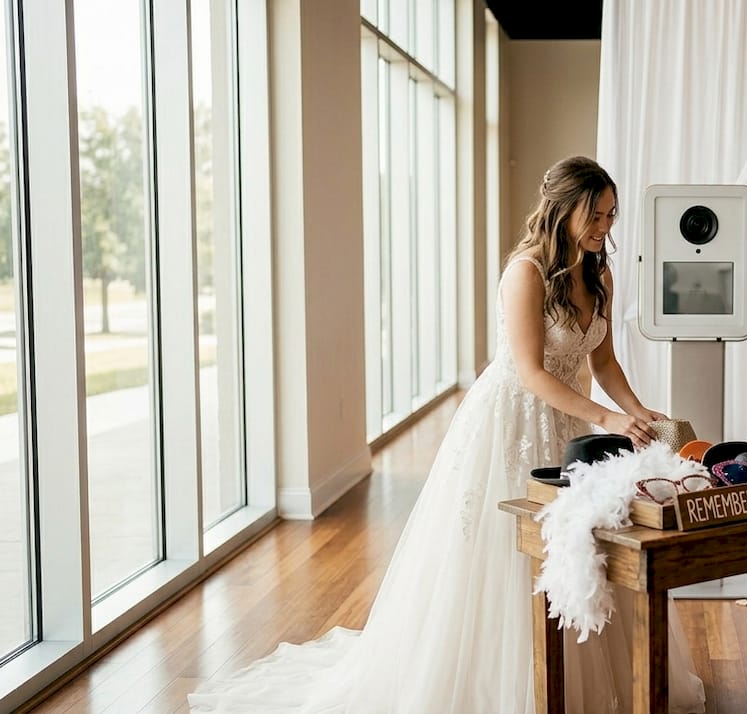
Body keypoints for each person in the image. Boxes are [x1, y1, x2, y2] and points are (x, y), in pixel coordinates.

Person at [190, 156, 706, 713]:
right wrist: (607, 419)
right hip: (512, 421)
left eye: (610, 215)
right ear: (561, 209)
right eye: (595, 215)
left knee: (573, 544)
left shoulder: (598, 273)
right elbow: (531, 373)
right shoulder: (526, 273)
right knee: (503, 552)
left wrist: (636, 411)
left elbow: (602, 361)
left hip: (568, 423)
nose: (605, 227)